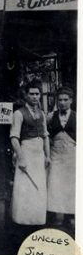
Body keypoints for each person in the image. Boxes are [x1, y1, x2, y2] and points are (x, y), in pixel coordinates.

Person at [10, 81, 51, 225]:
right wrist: (21, 158)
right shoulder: (18, 113)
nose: (34, 97)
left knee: (38, 186)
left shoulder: (42, 114)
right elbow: (14, 138)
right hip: (26, 151)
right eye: (31, 94)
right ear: (26, 95)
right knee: (25, 187)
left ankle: (37, 220)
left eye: (37, 94)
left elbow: (45, 135)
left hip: (39, 154)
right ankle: (22, 220)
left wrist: (48, 156)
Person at [47, 87, 76, 227]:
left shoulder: (78, 116)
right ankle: (55, 215)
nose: (63, 103)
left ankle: (71, 215)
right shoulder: (51, 116)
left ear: (71, 100)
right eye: (60, 100)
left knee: (71, 185)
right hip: (56, 155)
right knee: (55, 184)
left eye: (66, 100)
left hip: (72, 155)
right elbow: (44, 133)